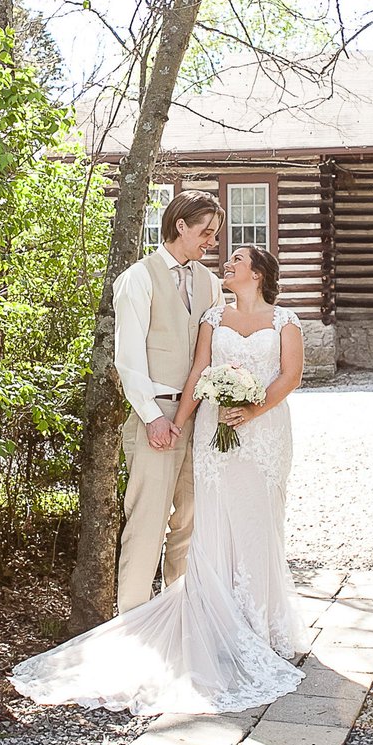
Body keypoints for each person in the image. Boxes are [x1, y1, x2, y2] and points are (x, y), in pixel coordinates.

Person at [10, 245, 308, 715]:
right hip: (212, 433)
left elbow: (291, 376)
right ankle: (217, 626)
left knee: (259, 523)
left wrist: (252, 410)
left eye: (237, 259)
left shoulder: (285, 321)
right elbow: (198, 374)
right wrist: (178, 422)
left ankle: (261, 626)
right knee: (213, 525)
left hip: (264, 433)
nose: (226, 263)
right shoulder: (214, 317)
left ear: (258, 273)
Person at [113, 190, 224, 615]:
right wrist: (151, 417)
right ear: (180, 225)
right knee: (147, 523)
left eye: (215, 234)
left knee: (190, 524)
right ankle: (132, 622)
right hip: (155, 416)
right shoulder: (139, 278)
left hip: (200, 418)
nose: (212, 241)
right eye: (206, 232)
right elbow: (128, 359)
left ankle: (180, 618)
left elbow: (217, 350)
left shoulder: (211, 284)